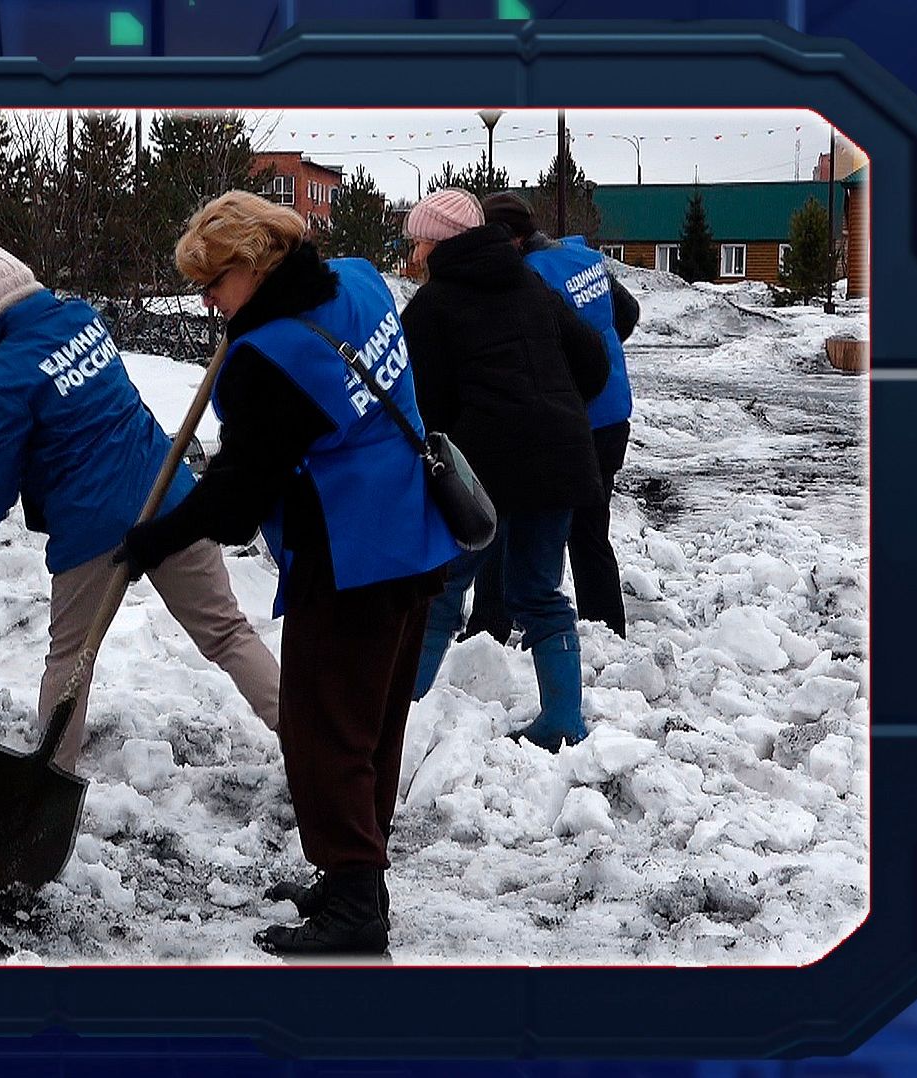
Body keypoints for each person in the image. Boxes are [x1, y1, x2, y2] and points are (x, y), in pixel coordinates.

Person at [119, 192, 457, 956]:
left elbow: (237, 502)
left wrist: (156, 538)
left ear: (253, 264)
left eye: (211, 281)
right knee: (369, 727)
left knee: (322, 731)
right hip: (413, 531)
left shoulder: (267, 360)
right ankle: (354, 880)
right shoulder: (361, 281)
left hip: (349, 556)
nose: (205, 300)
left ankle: (354, 911)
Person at [0, 233, 280, 771]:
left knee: (69, 659)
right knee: (228, 632)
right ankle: (312, 739)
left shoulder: (0, 386)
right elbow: (30, 362)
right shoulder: (81, 318)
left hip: (92, 527)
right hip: (170, 499)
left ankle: (49, 779)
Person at [396, 189, 610, 752]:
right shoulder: (531, 284)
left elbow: (418, 402)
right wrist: (553, 406)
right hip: (558, 456)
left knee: (441, 592)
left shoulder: (433, 305)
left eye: (418, 240)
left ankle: (402, 716)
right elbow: (593, 361)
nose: (413, 253)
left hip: (481, 470)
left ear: (439, 242)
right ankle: (564, 719)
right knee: (538, 591)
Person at [461, 192, 642, 642]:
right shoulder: (581, 257)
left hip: (571, 420)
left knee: (508, 514)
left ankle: (494, 623)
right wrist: (602, 347)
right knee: (589, 531)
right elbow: (629, 311)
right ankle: (606, 630)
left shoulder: (528, 276)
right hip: (613, 412)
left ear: (511, 239)